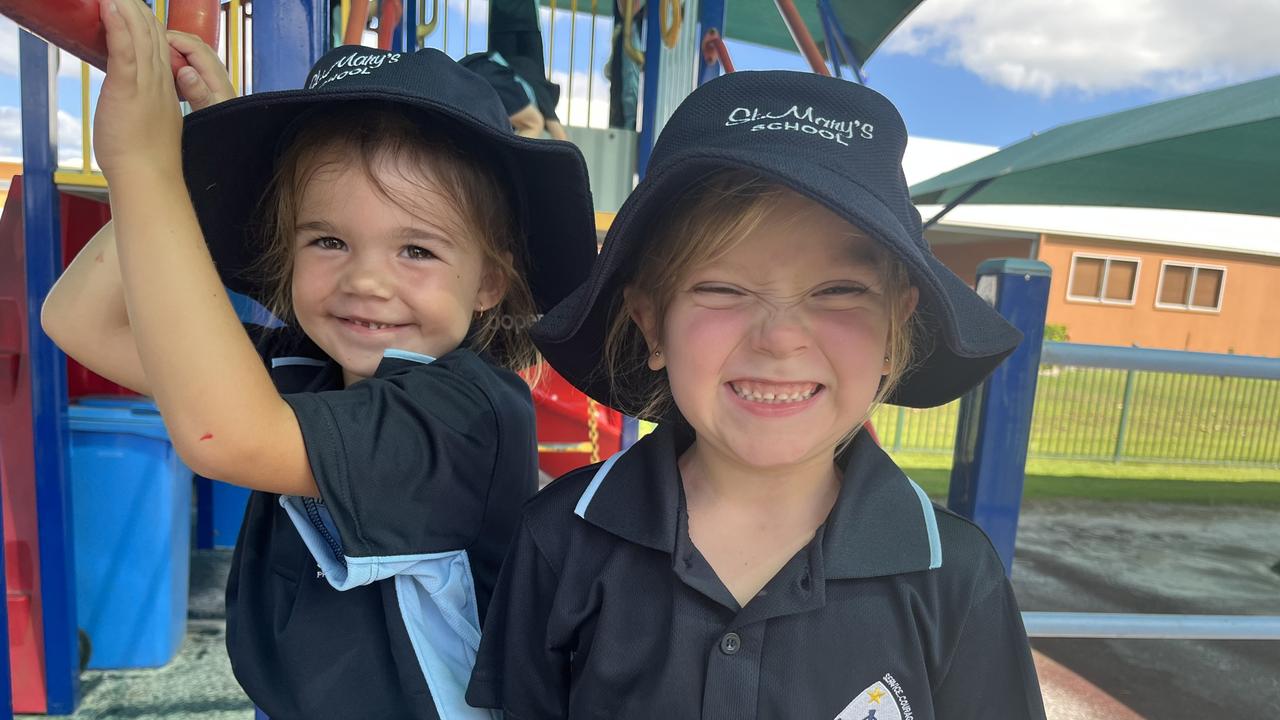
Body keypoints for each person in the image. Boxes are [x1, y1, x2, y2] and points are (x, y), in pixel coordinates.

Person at [41, 2, 596, 718]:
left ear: (490, 279)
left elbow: (226, 436)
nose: (366, 280)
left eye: (417, 250)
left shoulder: (466, 417)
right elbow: (78, 317)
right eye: (328, 240)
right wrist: (189, 167)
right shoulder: (304, 372)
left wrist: (144, 164)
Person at [466, 70, 1047, 719]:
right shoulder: (557, 541)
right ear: (652, 323)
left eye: (838, 291)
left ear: (894, 330)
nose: (779, 339)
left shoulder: (955, 578)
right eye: (723, 287)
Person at [460, 51, 568, 140]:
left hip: (466, 72)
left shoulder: (524, 78)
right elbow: (561, 138)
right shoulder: (543, 93)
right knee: (535, 123)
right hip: (491, 73)